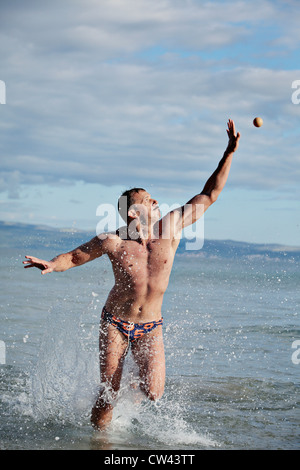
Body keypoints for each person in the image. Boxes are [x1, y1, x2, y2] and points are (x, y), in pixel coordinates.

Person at [23, 119, 240, 430]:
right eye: (147, 199)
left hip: (151, 326)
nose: (155, 201)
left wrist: (229, 152)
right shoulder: (113, 241)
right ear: (133, 212)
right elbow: (73, 257)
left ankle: (130, 391)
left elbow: (210, 194)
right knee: (108, 393)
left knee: (154, 392)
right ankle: (101, 441)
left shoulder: (172, 228)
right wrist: (52, 264)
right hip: (115, 323)